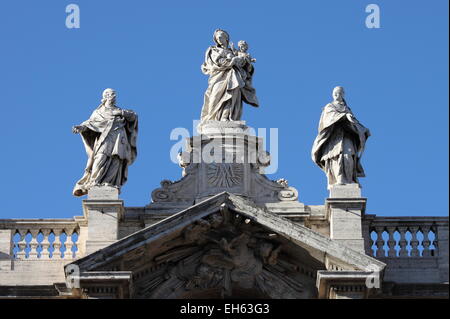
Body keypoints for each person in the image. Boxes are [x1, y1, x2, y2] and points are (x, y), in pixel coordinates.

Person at [72, 88, 138, 196]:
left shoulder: (120, 111)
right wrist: (81, 127)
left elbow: (133, 116)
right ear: (106, 96)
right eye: (112, 94)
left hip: (118, 137)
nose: (114, 96)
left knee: (116, 159)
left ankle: (110, 183)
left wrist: (120, 112)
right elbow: (90, 123)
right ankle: (94, 182)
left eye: (115, 94)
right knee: (100, 157)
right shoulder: (98, 112)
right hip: (105, 138)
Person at [311, 86, 370, 188]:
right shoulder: (329, 106)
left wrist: (362, 129)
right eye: (335, 93)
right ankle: (339, 179)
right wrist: (344, 116)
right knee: (336, 157)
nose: (337, 95)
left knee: (348, 156)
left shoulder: (347, 109)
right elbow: (328, 119)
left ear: (343, 94)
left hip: (347, 136)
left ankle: (349, 180)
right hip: (334, 139)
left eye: (339, 93)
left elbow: (354, 122)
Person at [199, 29, 259, 123]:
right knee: (215, 97)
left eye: (221, 36)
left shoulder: (234, 52)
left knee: (231, 97)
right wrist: (232, 61)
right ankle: (211, 118)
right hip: (219, 77)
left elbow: (246, 68)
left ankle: (225, 117)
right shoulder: (213, 50)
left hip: (234, 77)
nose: (219, 38)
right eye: (217, 37)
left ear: (226, 38)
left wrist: (245, 62)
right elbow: (218, 62)